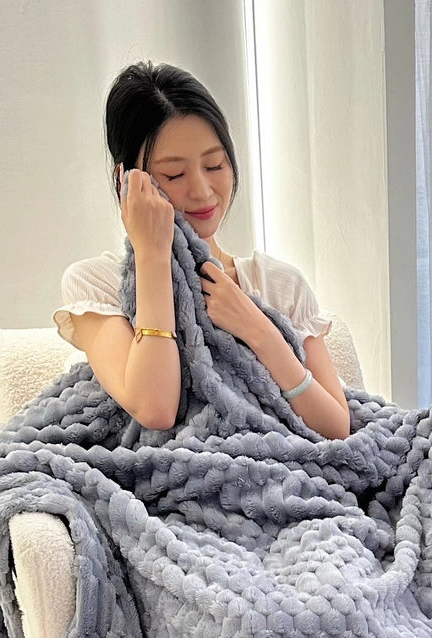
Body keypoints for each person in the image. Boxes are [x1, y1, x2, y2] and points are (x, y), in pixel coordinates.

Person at [54, 60, 351, 440]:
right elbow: (156, 408)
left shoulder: (278, 284)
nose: (202, 190)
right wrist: (152, 257)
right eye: (174, 174)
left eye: (214, 165)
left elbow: (336, 427)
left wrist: (259, 330)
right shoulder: (96, 283)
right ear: (126, 180)